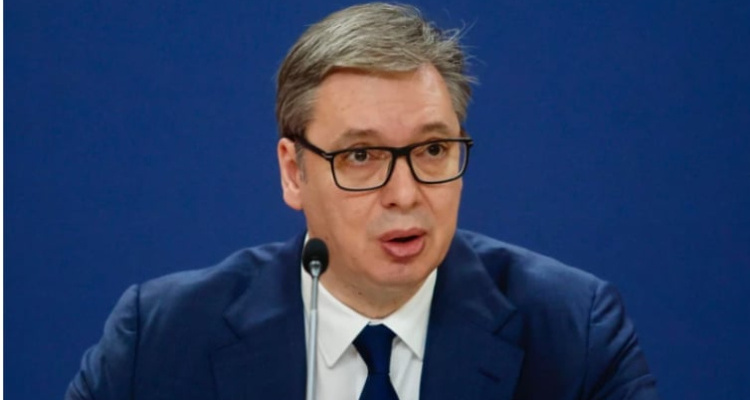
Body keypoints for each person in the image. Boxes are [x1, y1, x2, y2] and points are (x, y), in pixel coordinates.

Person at [66, 3, 659, 399]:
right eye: (360, 156)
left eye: (433, 149)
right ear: (293, 172)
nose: (404, 194)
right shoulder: (160, 341)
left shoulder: (573, 335)